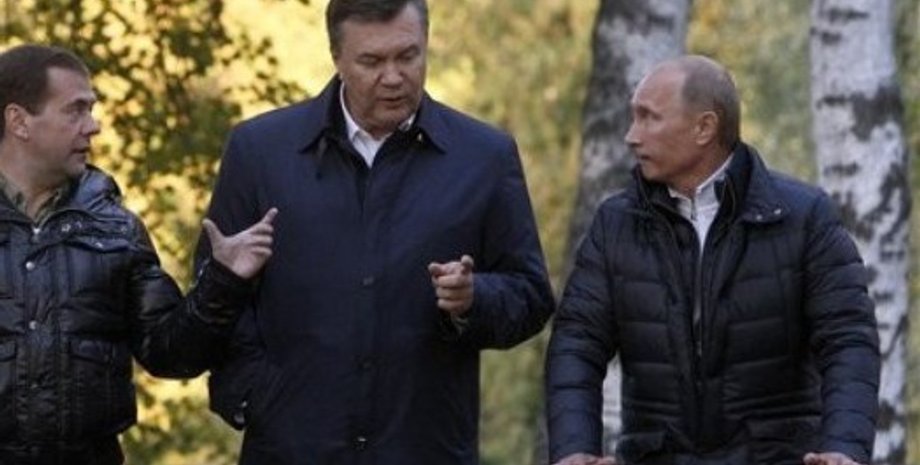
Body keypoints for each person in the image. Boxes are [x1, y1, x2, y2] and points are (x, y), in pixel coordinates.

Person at [196, 0, 554, 463]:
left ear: (426, 44)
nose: (393, 77)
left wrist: (473, 299)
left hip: (425, 449)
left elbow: (531, 296)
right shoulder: (259, 151)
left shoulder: (485, 156)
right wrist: (253, 395)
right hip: (290, 448)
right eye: (371, 61)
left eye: (408, 56)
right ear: (337, 58)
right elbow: (214, 292)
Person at [545, 55, 879, 465]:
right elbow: (577, 343)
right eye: (634, 118)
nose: (632, 136)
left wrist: (844, 449)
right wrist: (574, 451)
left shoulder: (804, 216)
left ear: (705, 127)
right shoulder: (615, 224)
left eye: (649, 118)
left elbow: (848, 338)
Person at [0, 44, 278, 465]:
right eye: (75, 110)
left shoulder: (116, 229)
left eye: (92, 109)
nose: (93, 126)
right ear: (19, 121)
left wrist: (223, 281)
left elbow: (171, 354)